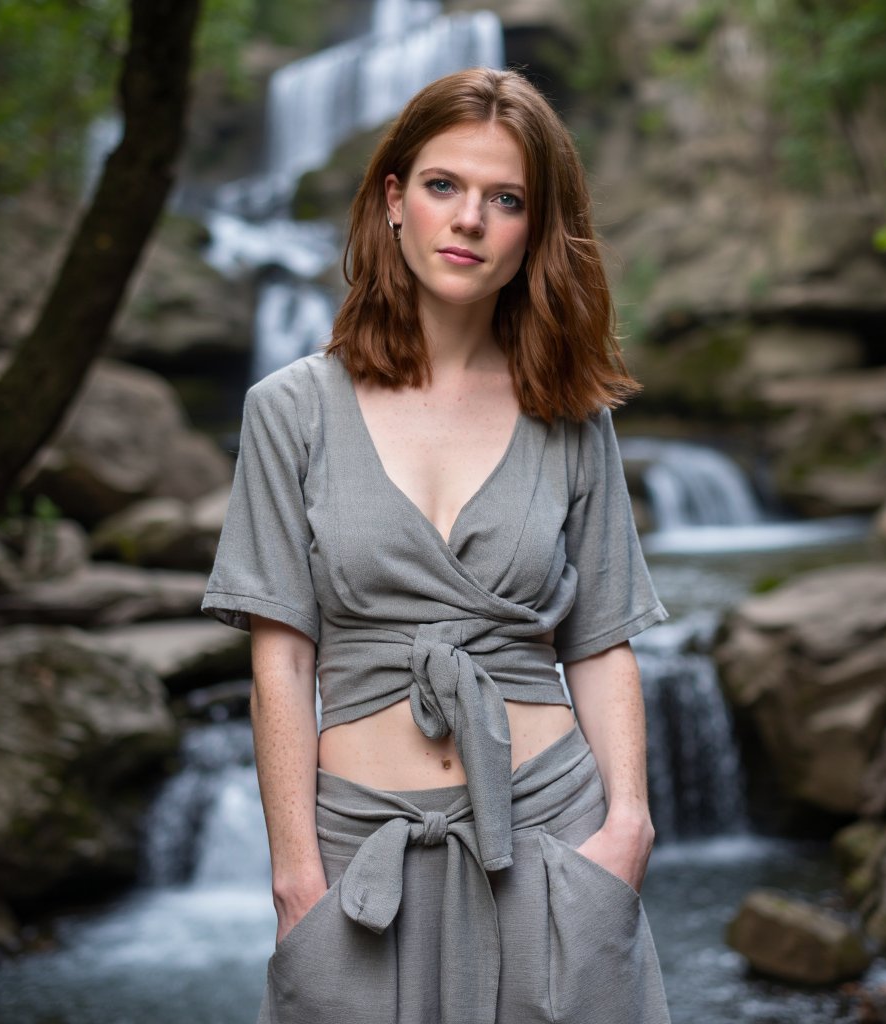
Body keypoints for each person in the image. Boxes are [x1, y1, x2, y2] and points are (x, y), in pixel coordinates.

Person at [203, 67, 671, 1024]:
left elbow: (603, 638)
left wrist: (627, 828)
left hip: (554, 836)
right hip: (357, 855)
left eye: (506, 200)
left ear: (535, 232)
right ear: (393, 200)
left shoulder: (572, 414)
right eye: (443, 186)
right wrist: (296, 877)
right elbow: (281, 662)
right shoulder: (288, 409)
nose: (469, 220)